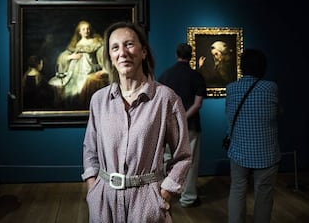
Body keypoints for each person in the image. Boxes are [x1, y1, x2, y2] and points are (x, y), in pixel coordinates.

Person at [82, 22, 192, 223]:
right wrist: (93, 189)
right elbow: (90, 149)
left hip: (147, 201)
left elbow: (183, 156)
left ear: (143, 52)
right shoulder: (99, 100)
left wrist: (164, 193)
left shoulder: (166, 99)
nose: (122, 52)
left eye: (129, 44)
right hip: (105, 201)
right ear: (110, 58)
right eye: (115, 47)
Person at [225, 49, 281, 223]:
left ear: (242, 67)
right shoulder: (271, 87)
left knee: (237, 190)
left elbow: (229, 115)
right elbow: (276, 112)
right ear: (262, 67)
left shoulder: (231, 88)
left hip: (239, 152)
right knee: (264, 196)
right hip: (266, 154)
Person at [158, 43, 207, 208]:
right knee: (190, 161)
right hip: (191, 125)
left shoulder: (165, 75)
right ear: (191, 56)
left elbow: (160, 104)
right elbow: (197, 104)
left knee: (166, 160)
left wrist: (175, 120)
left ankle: (165, 194)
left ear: (176, 54)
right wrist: (183, 118)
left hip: (167, 126)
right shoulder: (196, 76)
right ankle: (188, 197)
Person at [48, 20, 108, 109]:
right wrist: (71, 57)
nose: (86, 31)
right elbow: (64, 55)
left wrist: (104, 68)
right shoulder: (76, 44)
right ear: (79, 32)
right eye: (83, 29)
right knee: (67, 89)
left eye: (88, 29)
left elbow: (102, 54)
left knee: (80, 89)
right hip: (74, 71)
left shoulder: (95, 42)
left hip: (88, 69)